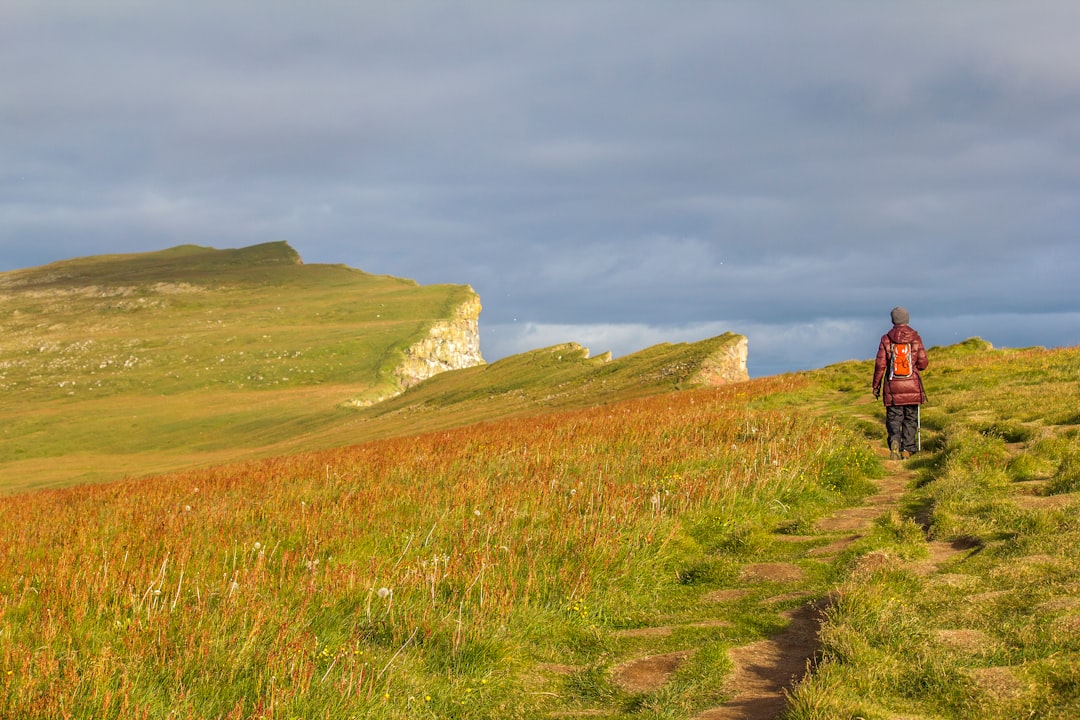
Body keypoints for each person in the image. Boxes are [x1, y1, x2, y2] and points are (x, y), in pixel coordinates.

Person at [872, 307, 928, 460]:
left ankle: (895, 442)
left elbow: (880, 365)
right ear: (907, 319)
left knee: (894, 418)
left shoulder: (886, 339)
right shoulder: (915, 338)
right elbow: (923, 363)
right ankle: (907, 449)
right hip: (912, 387)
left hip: (892, 387)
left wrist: (876, 386)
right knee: (910, 418)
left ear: (893, 320)